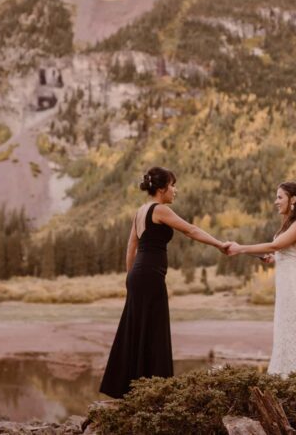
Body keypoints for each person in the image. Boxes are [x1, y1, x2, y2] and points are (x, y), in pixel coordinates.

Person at [99, 166, 231, 397]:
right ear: (161, 189)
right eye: (172, 185)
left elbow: (131, 247)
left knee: (138, 329)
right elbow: (190, 230)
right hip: (150, 276)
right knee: (154, 330)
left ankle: (132, 390)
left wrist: (129, 279)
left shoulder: (141, 211)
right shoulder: (159, 210)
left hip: (139, 276)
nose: (175, 190)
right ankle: (156, 391)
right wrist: (219, 244)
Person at [228, 181, 296, 375]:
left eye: (280, 197)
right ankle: (293, 377)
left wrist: (240, 248)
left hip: (294, 284)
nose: (276, 201)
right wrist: (275, 258)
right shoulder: (289, 225)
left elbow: (275, 246)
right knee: (287, 328)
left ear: (293, 199)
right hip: (288, 282)